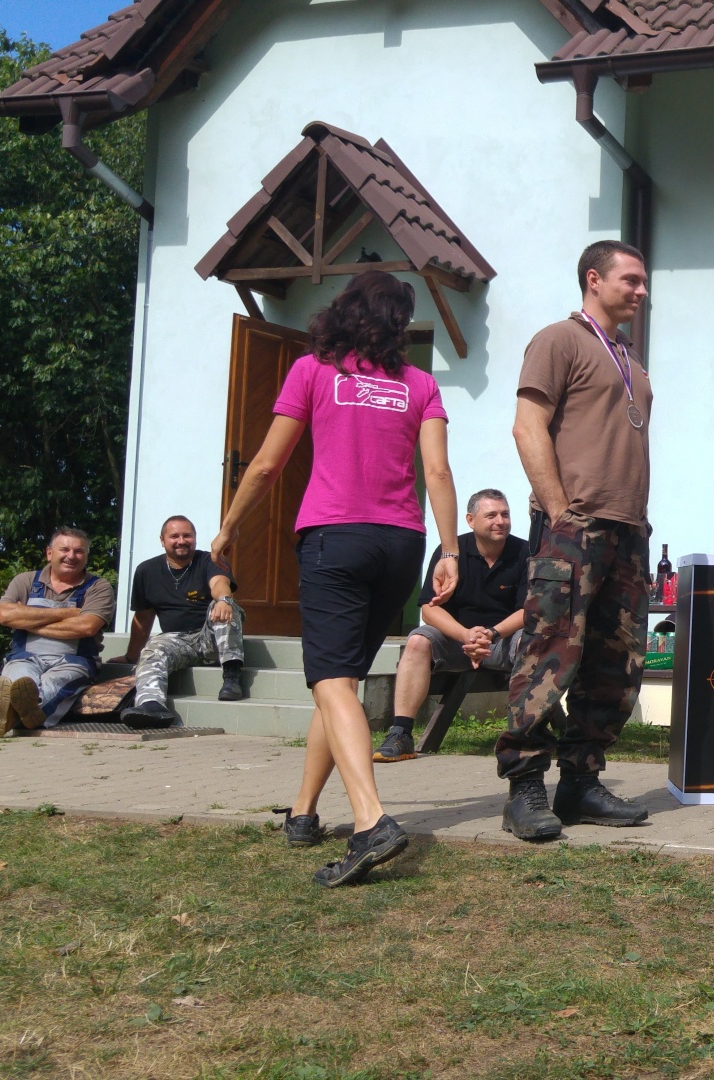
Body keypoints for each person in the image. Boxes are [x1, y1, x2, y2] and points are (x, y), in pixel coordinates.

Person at [212, 270, 461, 888]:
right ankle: (303, 812)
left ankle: (371, 820)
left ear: (345, 312)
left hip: (334, 539)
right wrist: (450, 549)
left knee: (329, 680)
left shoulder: (312, 371)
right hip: (401, 545)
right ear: (398, 325)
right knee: (341, 681)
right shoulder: (421, 384)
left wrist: (230, 527)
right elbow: (437, 472)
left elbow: (266, 465)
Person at [492, 240, 655, 841]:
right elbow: (526, 425)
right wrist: (560, 511)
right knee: (550, 653)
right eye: (631, 279)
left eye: (643, 281)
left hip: (626, 530)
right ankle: (524, 787)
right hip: (573, 528)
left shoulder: (629, 356)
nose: (641, 291)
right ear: (593, 279)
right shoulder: (558, 340)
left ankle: (581, 783)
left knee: (615, 663)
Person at [373, 489, 529, 763]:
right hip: (457, 641)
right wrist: (466, 635)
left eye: (505, 514)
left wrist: (492, 634)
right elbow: (429, 608)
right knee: (418, 640)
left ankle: (526, 734)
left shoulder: (525, 552)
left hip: (503, 640)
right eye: (491, 515)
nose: (500, 521)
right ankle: (401, 734)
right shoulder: (450, 553)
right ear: (470, 520)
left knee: (535, 641)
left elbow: (530, 610)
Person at [116, 516, 246, 726]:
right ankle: (151, 706)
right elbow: (143, 619)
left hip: (210, 639)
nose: (181, 541)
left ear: (195, 537)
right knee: (153, 648)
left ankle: (232, 677)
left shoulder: (210, 560)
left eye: (187, 535)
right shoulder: (146, 571)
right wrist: (131, 655)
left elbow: (220, 583)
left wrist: (224, 599)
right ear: (162, 540)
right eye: (174, 536)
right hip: (176, 641)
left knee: (223, 605)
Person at [0, 528, 115, 737]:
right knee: (20, 681)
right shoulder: (25, 581)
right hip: (24, 657)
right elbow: (5, 615)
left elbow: (86, 627)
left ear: (86, 557)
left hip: (73, 662)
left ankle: (10, 714)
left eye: (79, 551)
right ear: (49, 553)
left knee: (53, 684)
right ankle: (25, 714)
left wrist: (27, 620)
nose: (71, 556)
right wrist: (67, 613)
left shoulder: (98, 587)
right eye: (64, 549)